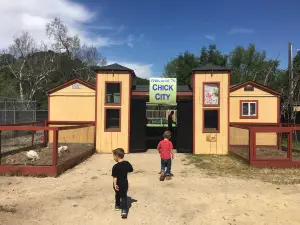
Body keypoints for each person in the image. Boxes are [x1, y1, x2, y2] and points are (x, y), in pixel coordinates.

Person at [112, 148, 134, 218]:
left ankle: (117, 205)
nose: (113, 158)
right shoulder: (127, 163)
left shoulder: (115, 166)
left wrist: (115, 184)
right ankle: (124, 211)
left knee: (117, 194)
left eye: (114, 156)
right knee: (124, 196)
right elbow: (131, 169)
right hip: (124, 183)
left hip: (117, 183)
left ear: (117, 156)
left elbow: (115, 177)